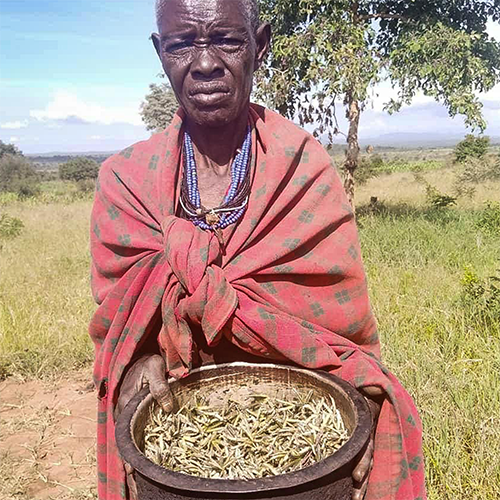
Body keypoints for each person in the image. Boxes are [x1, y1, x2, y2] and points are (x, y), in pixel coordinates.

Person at [89, 0, 426, 499]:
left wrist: (358, 401)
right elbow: (121, 327)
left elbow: (343, 333)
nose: (204, 63)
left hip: (297, 436)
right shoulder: (125, 182)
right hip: (178, 440)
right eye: (183, 44)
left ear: (259, 46)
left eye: (227, 40)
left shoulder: (300, 168)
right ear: (161, 53)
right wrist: (138, 363)